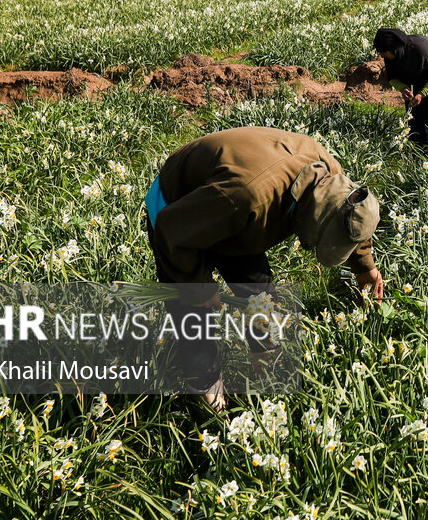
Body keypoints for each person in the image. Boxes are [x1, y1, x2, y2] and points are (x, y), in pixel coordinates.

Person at [145, 126, 382, 410]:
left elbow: (352, 217)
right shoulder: (246, 197)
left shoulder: (332, 177)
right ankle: (206, 394)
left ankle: (266, 363)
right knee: (195, 317)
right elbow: (172, 231)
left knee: (258, 292)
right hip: (179, 210)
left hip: (232, 209)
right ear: (311, 220)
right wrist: (201, 292)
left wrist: (365, 267)